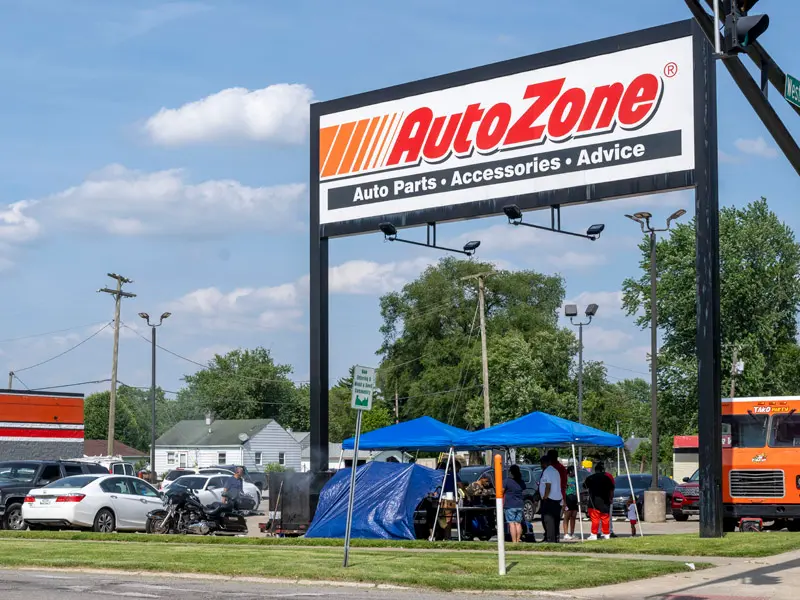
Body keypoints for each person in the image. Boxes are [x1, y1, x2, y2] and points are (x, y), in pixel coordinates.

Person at [584, 462, 614, 540]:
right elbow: (611, 489)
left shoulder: (591, 477)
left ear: (595, 470)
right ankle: (607, 534)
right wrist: (611, 498)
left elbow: (584, 486)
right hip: (605, 501)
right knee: (605, 518)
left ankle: (594, 534)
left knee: (595, 519)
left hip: (594, 501)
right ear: (603, 470)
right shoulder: (607, 478)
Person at [539, 455, 563, 543]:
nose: (541, 466)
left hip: (550, 499)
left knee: (548, 521)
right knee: (556, 520)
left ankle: (550, 539)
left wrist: (545, 496)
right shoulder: (555, 471)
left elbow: (548, 486)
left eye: (541, 464)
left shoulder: (547, 471)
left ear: (544, 463)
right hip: (557, 499)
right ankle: (556, 538)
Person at [503, 465, 526, 543]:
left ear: (510, 472)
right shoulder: (521, 481)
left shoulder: (507, 481)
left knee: (511, 524)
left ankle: (514, 541)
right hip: (519, 505)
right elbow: (523, 488)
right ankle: (518, 540)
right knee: (518, 523)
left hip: (510, 505)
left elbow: (501, 491)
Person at [562, 465, 579, 540]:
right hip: (568, 498)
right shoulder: (565, 478)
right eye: (574, 471)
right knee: (567, 516)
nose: (575, 473)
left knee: (574, 516)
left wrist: (578, 499)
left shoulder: (575, 479)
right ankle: (566, 533)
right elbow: (563, 490)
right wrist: (564, 502)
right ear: (570, 471)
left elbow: (577, 489)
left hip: (574, 498)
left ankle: (572, 533)